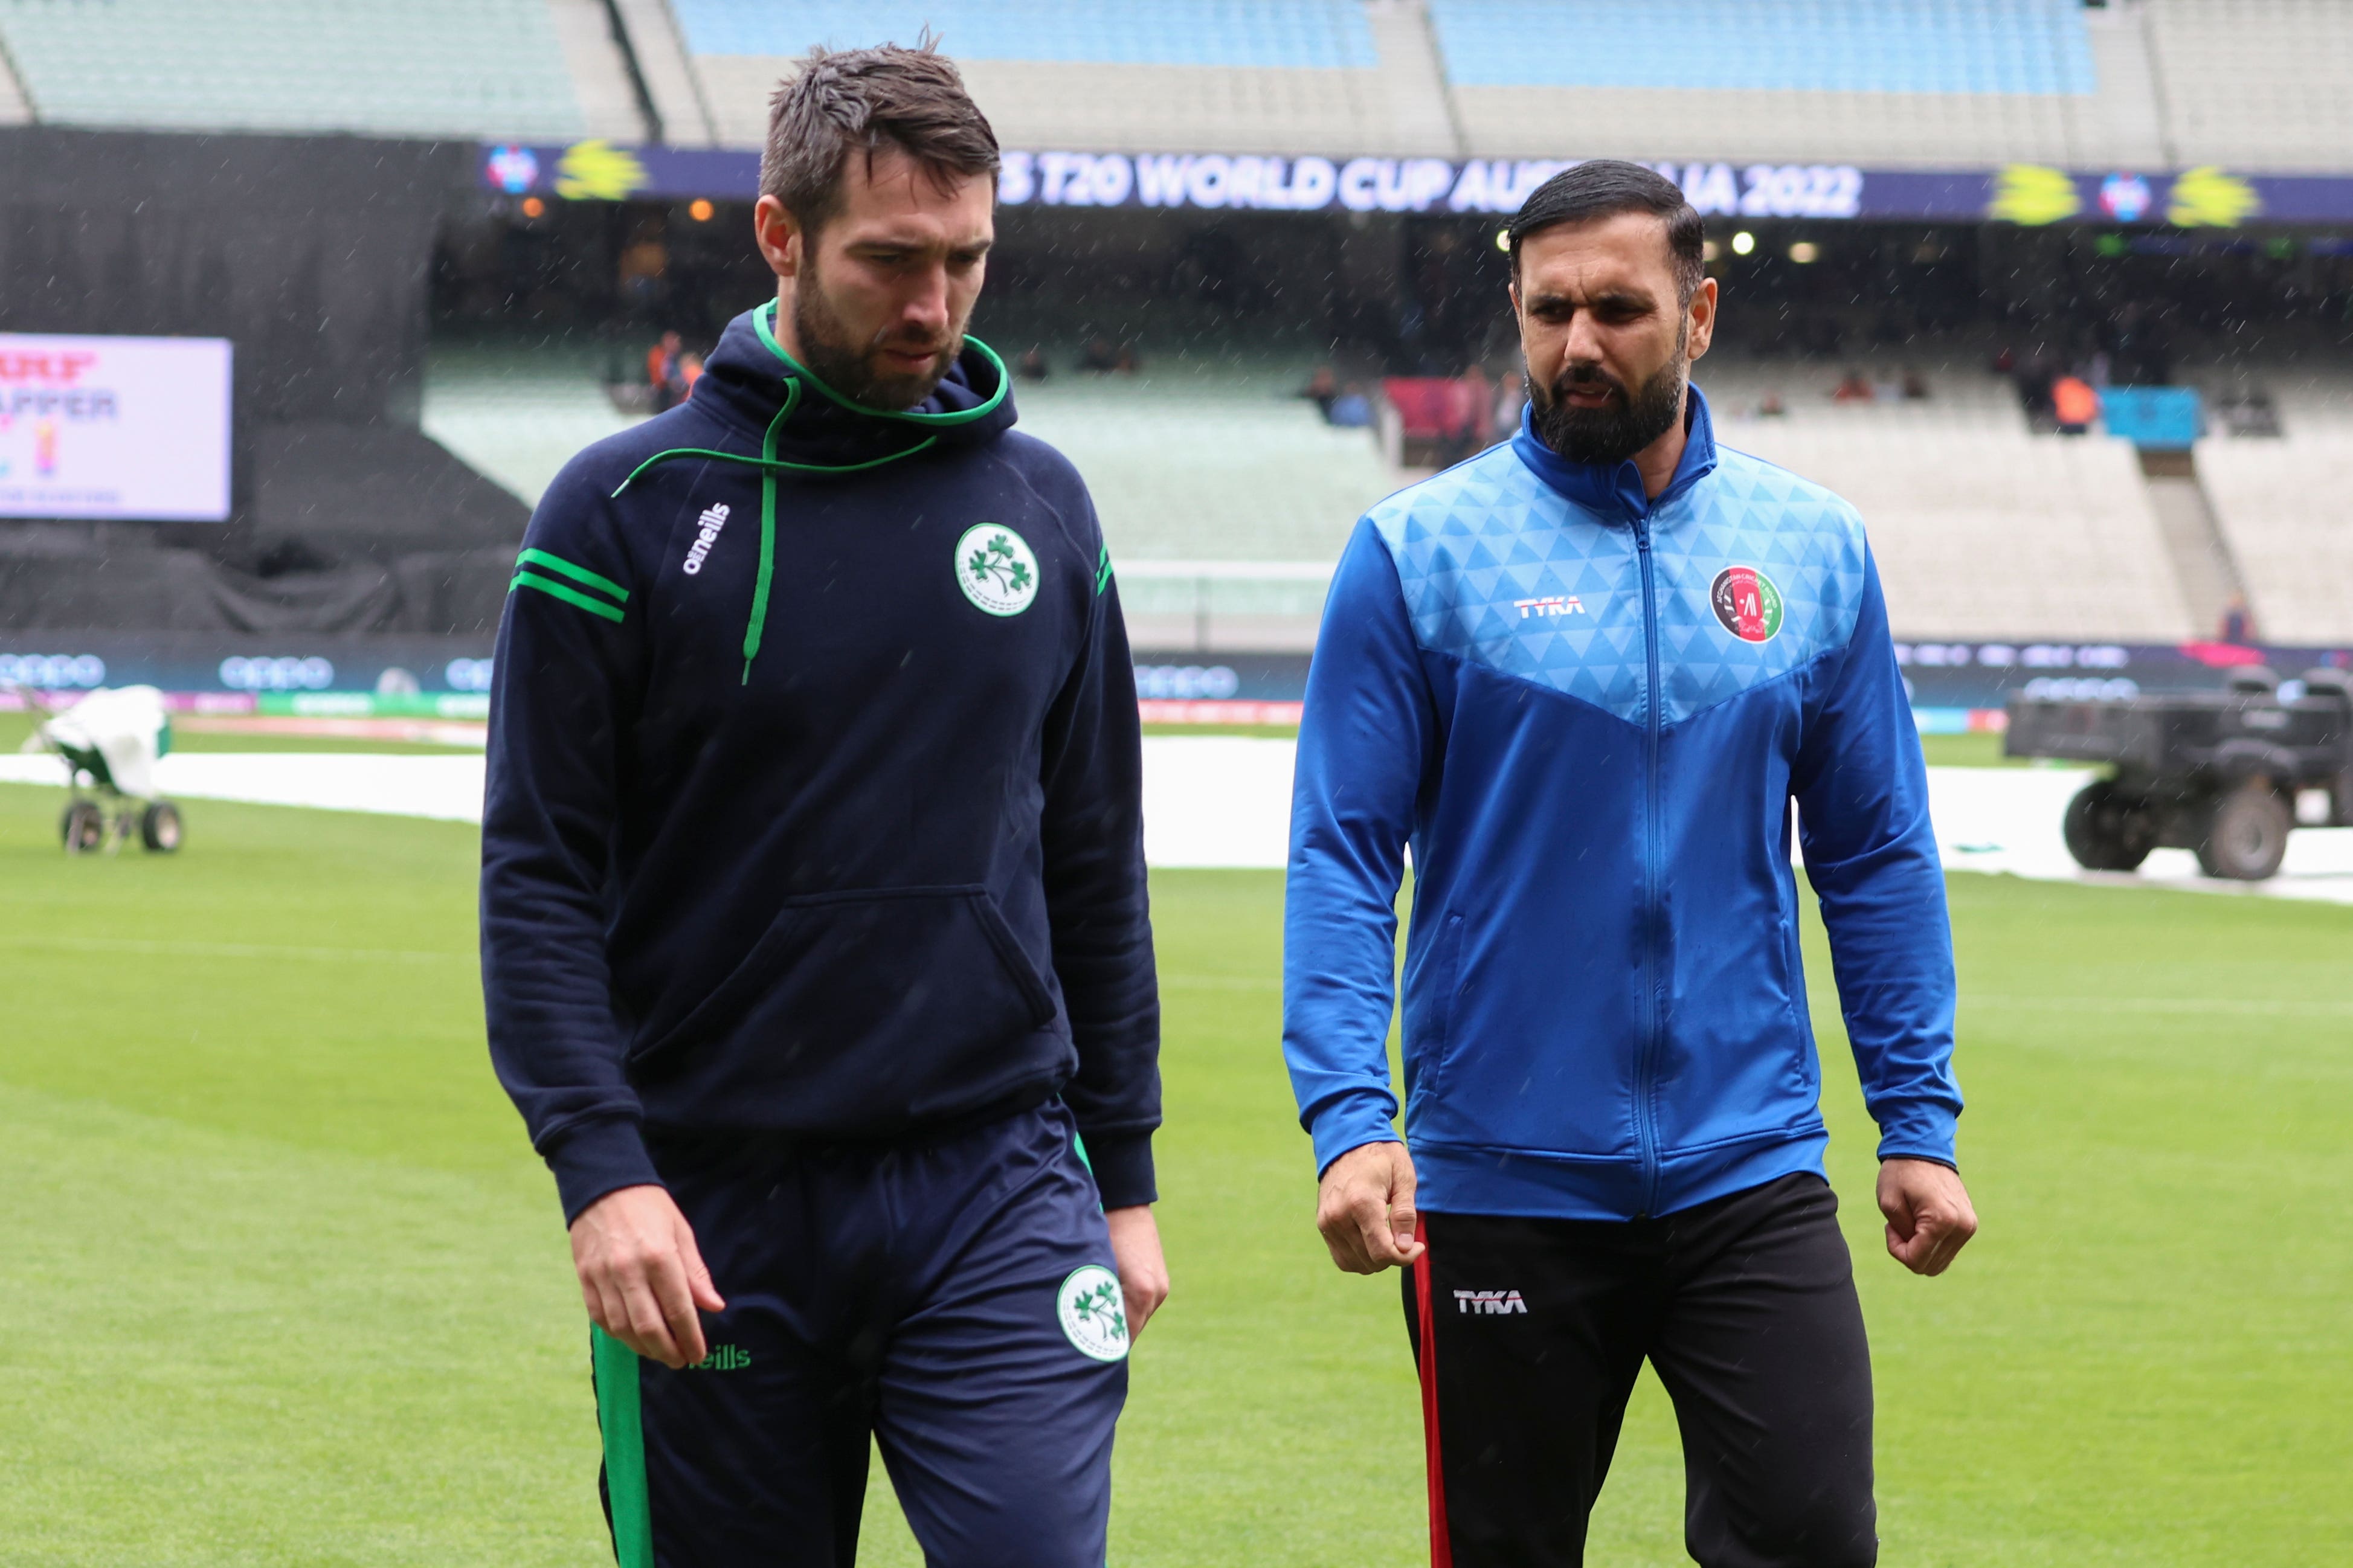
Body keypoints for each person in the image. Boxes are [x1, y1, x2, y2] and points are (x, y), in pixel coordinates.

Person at [481, 40, 1167, 1567]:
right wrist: (604, 1174)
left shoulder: (1043, 508)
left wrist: (1122, 1180)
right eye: (891, 261)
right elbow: (535, 878)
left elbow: (1092, 856)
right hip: (716, 1204)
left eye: (968, 260)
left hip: (996, 1183)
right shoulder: (621, 513)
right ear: (780, 238)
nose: (933, 306)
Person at [1284, 160, 1976, 1567]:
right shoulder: (1420, 554)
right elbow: (1342, 857)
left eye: (1617, 307)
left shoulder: (1811, 550)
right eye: (1548, 311)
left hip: (1750, 1168)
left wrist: (1917, 1118)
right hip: (1497, 1183)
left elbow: (1877, 851)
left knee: (1811, 1540)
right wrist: (1354, 1117)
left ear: (1699, 312)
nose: (1578, 344)